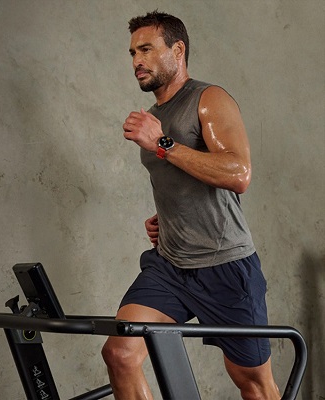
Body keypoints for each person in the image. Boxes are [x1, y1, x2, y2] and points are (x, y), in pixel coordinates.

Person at [101, 10, 280, 400]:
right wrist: (168, 217)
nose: (136, 61)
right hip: (170, 266)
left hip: (225, 266)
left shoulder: (208, 99)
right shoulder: (154, 116)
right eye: (132, 53)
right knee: (120, 353)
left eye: (146, 49)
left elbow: (238, 173)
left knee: (254, 385)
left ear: (177, 50)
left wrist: (162, 144)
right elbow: (184, 184)